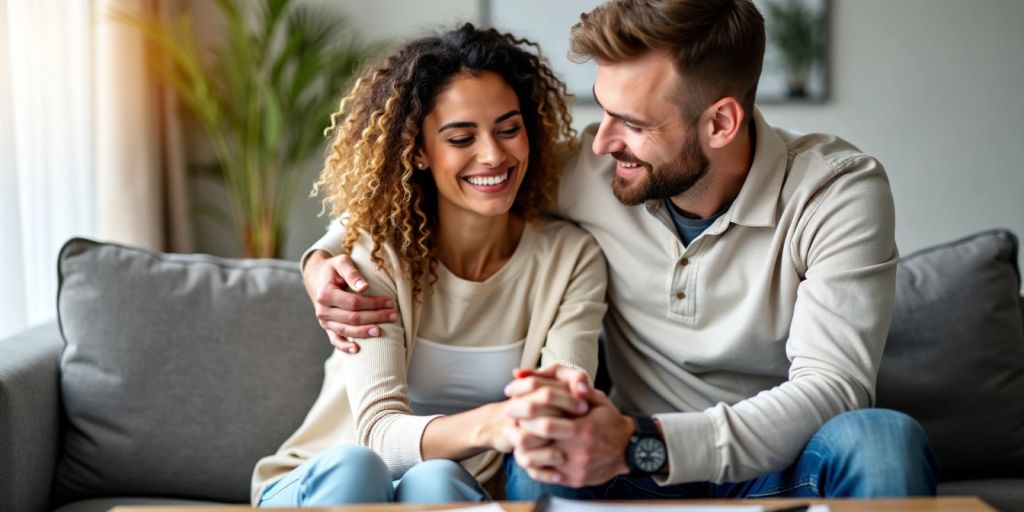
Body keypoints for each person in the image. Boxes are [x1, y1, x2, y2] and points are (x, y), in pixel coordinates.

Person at [303, 0, 939, 502]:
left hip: (764, 461)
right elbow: (451, 184)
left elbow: (833, 387)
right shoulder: (596, 171)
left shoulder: (837, 191)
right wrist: (322, 259)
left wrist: (649, 443)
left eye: (632, 123)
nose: (602, 142)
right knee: (541, 464)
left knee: (882, 440)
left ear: (720, 123)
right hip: (626, 470)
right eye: (602, 112)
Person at [250, 23, 608, 507]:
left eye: (509, 128)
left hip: (452, 490)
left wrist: (553, 411)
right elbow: (377, 434)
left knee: (436, 478)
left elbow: (567, 401)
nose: (493, 155)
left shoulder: (570, 260)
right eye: (461, 138)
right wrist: (499, 422)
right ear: (418, 150)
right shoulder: (374, 256)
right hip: (325, 477)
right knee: (359, 468)